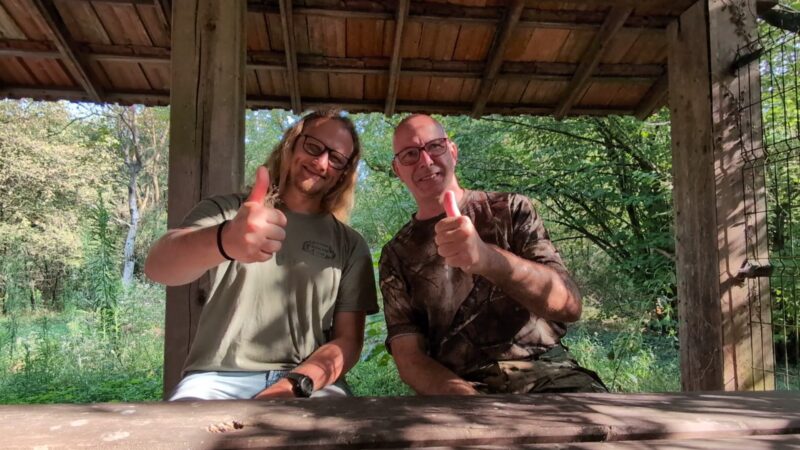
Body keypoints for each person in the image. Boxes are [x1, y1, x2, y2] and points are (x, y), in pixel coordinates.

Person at [145, 110, 378, 400]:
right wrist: (225, 239)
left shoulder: (350, 244)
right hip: (214, 379)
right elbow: (157, 267)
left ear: (343, 173)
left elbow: (349, 342)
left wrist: (292, 386)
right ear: (291, 144)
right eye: (313, 146)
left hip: (305, 381)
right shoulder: (229, 211)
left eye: (336, 159)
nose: (321, 162)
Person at [379, 114, 607, 395]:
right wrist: (470, 402)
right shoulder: (396, 254)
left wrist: (489, 259)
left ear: (452, 151)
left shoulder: (511, 209)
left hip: (550, 375)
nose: (425, 161)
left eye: (434, 146)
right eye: (410, 154)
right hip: (458, 389)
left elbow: (570, 306)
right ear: (398, 169)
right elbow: (410, 359)